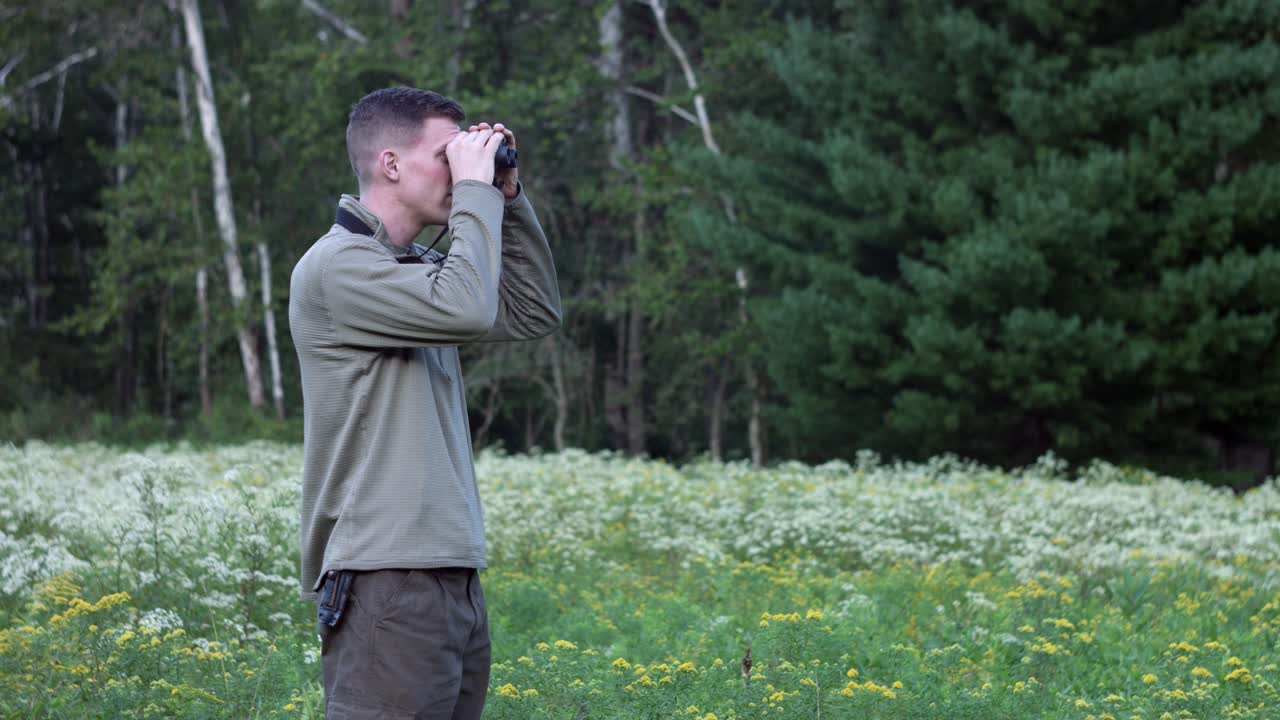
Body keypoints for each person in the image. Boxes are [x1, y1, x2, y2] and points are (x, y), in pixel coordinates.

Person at [288, 87, 562, 719]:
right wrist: (475, 195)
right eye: (447, 155)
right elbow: (467, 306)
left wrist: (507, 199)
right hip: (388, 575)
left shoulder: (412, 266)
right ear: (390, 164)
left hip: (446, 572)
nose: (463, 169)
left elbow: (532, 310)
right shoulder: (338, 268)